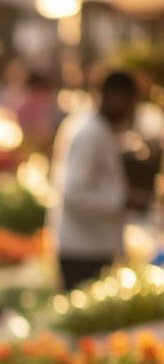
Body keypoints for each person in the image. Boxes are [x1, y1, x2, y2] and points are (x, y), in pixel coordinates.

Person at [50, 70, 141, 290]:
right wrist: (122, 200)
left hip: (90, 245)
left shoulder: (94, 127)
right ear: (116, 96)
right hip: (84, 250)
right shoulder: (90, 132)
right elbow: (74, 194)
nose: (132, 109)